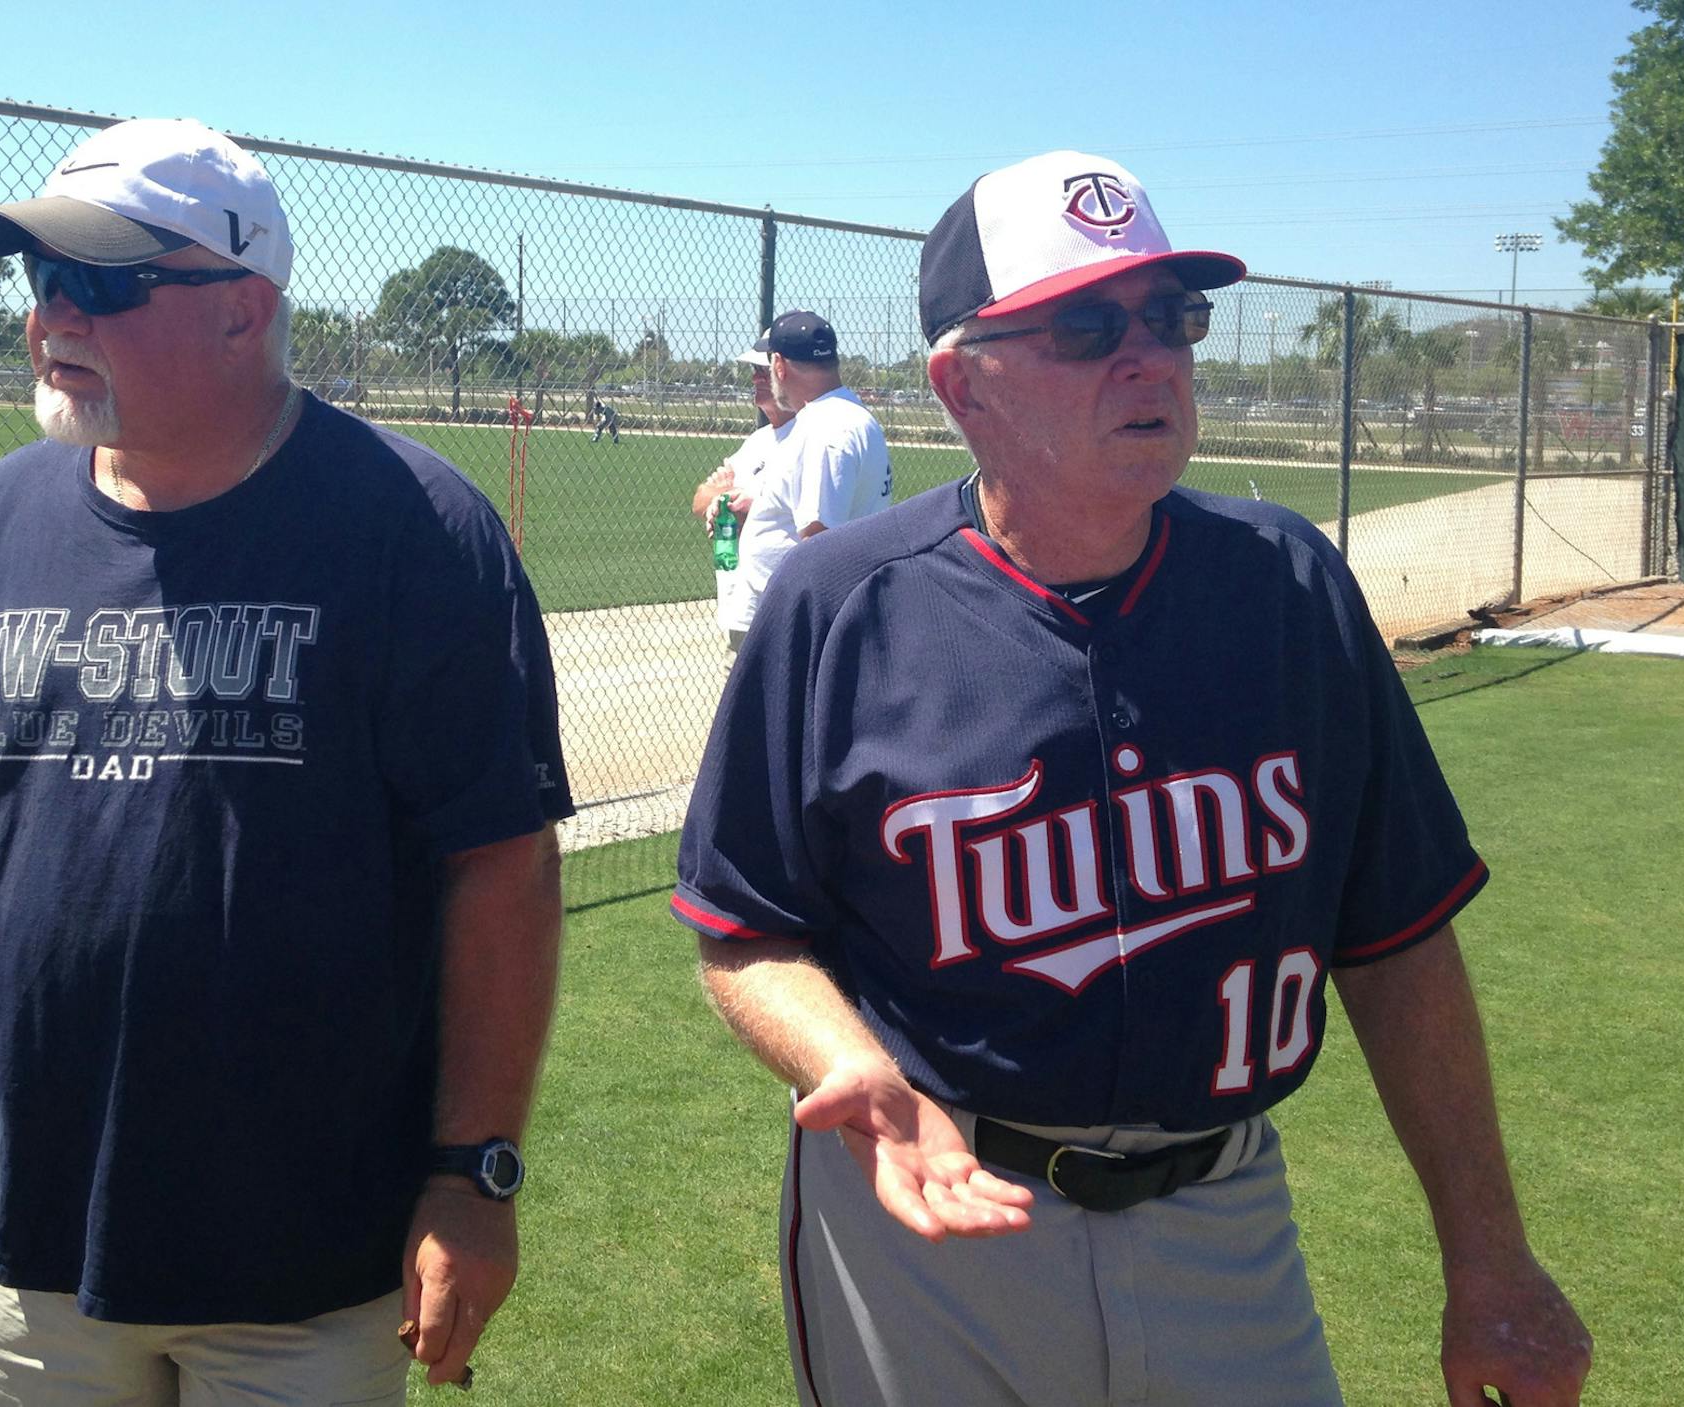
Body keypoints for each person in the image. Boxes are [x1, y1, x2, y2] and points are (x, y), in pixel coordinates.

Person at [671, 150, 1591, 1407]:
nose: (1149, 357)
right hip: (932, 1228)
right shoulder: (841, 609)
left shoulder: (1286, 584)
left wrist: (1492, 1260)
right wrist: (849, 1065)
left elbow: (1399, 936)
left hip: (1225, 1210)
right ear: (964, 384)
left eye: (1174, 318)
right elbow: (745, 934)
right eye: (1089, 326)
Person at [0, 117, 572, 1406]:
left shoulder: (414, 529)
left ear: (242, 309)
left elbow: (499, 863)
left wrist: (473, 1171)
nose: (54, 316)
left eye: (102, 282)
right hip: (44, 1238)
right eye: (43, 281)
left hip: (309, 1257)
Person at [723, 310, 891, 656]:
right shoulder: (854, 416)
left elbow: (820, 540)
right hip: (797, 620)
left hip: (786, 626)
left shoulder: (822, 428)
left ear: (780, 366)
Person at [690, 334, 795, 657]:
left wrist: (746, 504)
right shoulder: (759, 441)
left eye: (761, 371)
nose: (754, 378)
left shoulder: (806, 437)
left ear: (783, 372)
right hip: (738, 605)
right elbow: (700, 499)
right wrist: (723, 496)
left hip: (773, 607)